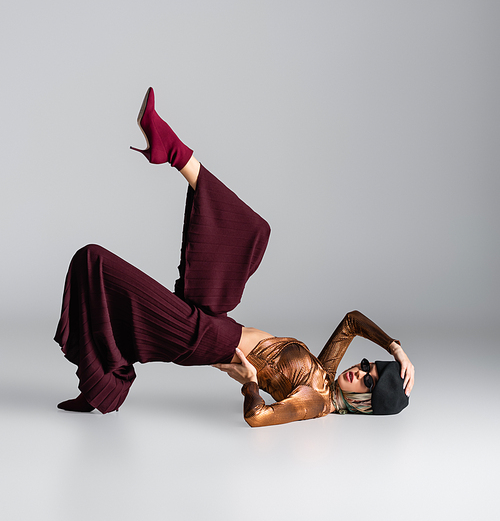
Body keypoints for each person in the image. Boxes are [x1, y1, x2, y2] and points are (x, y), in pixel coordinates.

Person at [55, 88, 415, 426]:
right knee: (254, 231)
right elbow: (352, 321)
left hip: (202, 338)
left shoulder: (317, 399)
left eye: (368, 382)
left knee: (94, 260)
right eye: (369, 366)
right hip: (218, 322)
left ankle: (96, 387)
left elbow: (258, 417)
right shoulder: (326, 373)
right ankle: (171, 150)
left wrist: (248, 382)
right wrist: (395, 349)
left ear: (365, 403)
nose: (361, 372)